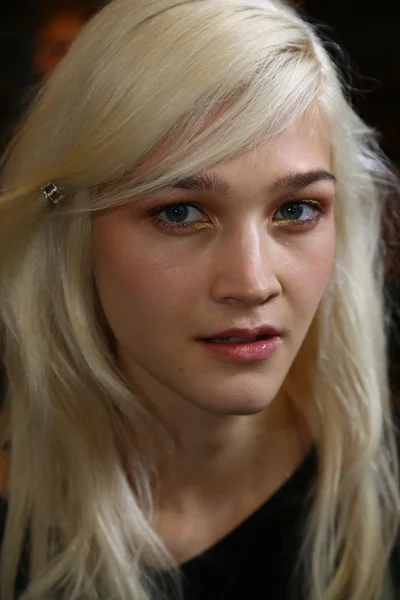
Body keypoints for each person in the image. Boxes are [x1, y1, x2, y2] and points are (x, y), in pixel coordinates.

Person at [0, 0, 399, 599]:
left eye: (296, 210)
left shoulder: (381, 498)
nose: (252, 282)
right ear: (72, 232)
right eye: (179, 212)